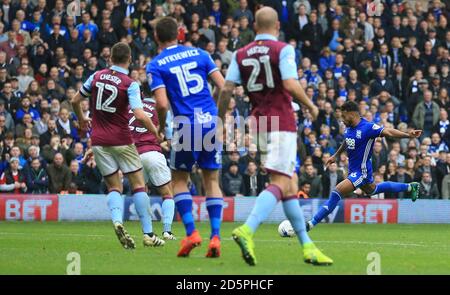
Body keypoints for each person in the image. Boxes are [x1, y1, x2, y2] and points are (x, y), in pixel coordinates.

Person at [218, 6, 332, 266]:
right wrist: (311, 106)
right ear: (278, 26)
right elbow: (291, 85)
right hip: (281, 122)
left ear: (255, 27)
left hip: (258, 123)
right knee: (281, 183)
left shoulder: (240, 53)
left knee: (290, 183)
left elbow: (226, 90)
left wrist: (219, 119)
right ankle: (247, 230)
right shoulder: (283, 49)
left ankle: (307, 247)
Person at [71, 42, 164, 249]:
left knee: (114, 186)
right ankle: (148, 234)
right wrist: (155, 131)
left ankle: (117, 221)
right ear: (129, 60)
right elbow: (139, 115)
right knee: (139, 185)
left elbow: (75, 100)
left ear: (110, 58)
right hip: (122, 140)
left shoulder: (96, 76)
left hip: (98, 141)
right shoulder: (130, 83)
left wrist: (82, 120)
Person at [147, 17, 225, 258]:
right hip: (210, 121)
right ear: (179, 34)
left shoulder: (156, 64)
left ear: (157, 38)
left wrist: (160, 125)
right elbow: (224, 86)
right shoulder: (200, 54)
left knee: (179, 180)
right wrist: (218, 117)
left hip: (185, 125)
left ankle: (191, 233)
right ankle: (215, 237)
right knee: (211, 180)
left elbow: (161, 102)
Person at [306, 101, 422, 231]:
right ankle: (410, 187)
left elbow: (388, 132)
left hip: (362, 171)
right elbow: (347, 141)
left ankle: (310, 224)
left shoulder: (368, 127)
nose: (342, 120)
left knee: (337, 191)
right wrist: (336, 156)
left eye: (344, 116)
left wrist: (407, 135)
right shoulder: (349, 127)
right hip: (353, 169)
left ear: (351, 114)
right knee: (372, 190)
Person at [128, 88, 176, 240]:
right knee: (168, 194)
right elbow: (167, 139)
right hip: (152, 152)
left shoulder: (131, 108)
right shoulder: (161, 110)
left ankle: (147, 233)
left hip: (133, 155)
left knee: (141, 191)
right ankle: (167, 231)